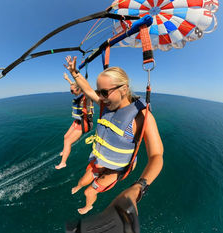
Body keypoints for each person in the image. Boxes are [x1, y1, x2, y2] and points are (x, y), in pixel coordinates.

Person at [64, 55, 163, 215]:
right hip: (100, 159)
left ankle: (89, 205)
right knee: (82, 182)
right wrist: (75, 73)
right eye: (99, 92)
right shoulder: (106, 106)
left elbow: (157, 156)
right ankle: (80, 186)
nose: (101, 97)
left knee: (89, 192)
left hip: (116, 169)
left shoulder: (141, 117)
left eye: (104, 92)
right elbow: (88, 90)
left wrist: (140, 185)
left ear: (124, 89)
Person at [55, 73, 94, 169]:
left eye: (72, 91)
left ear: (80, 89)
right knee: (65, 137)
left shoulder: (86, 96)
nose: (71, 92)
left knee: (68, 141)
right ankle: (65, 151)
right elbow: (74, 85)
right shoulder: (79, 93)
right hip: (78, 120)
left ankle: (63, 163)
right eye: (70, 90)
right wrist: (68, 79)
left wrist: (76, 75)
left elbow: (84, 87)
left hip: (84, 123)